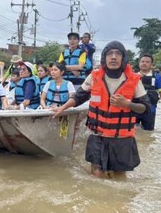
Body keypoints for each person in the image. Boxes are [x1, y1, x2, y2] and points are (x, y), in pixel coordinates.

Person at [52, 41, 151, 178]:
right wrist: (62, 108)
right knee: (96, 176)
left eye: (118, 54)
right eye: (110, 54)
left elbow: (146, 108)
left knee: (119, 178)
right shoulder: (94, 76)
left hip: (121, 139)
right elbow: (79, 97)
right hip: (97, 136)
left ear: (123, 58)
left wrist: (127, 104)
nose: (114, 57)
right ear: (104, 58)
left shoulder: (134, 80)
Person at [136, 54, 161, 130]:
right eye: (142, 61)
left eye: (147, 62)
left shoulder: (157, 76)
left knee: (148, 132)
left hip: (150, 110)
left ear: (151, 65)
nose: (144, 63)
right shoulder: (133, 76)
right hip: (134, 109)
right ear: (139, 63)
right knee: (133, 132)